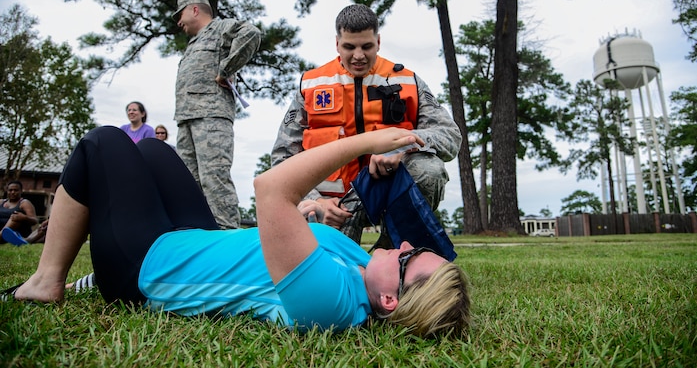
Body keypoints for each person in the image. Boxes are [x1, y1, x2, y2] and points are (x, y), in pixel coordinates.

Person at [7, 126, 469, 338]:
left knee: (101, 144)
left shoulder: (331, 304)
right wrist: (313, 209)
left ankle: (48, 281)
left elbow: (269, 190)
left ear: (390, 301)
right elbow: (290, 233)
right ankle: (78, 280)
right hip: (197, 238)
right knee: (151, 150)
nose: (404, 243)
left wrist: (368, 140)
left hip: (148, 265)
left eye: (409, 258)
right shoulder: (366, 270)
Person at [271, 4, 462, 244]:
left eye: (367, 46)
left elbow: (449, 136)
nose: (358, 56)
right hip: (332, 206)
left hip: (389, 193)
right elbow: (282, 158)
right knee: (331, 275)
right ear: (337, 43)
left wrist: (403, 146)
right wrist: (315, 200)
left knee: (429, 170)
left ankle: (396, 252)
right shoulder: (311, 85)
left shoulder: (408, 81)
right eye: (349, 47)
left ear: (378, 41)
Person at [173, 0, 262, 229]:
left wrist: (226, 68)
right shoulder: (194, 42)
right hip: (186, 120)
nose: (178, 22)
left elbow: (251, 33)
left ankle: (228, 238)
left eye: (180, 14)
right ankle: (198, 238)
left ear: (194, 9)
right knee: (189, 185)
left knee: (214, 181)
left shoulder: (220, 28)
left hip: (211, 117)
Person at [0, 180, 38, 245]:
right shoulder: (1, 202)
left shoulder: (24, 203)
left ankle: (3, 235)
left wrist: (23, 217)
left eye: (16, 190)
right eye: (10, 190)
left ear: (21, 191)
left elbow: (35, 220)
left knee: (14, 217)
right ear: (7, 191)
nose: (13, 192)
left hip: (16, 231)